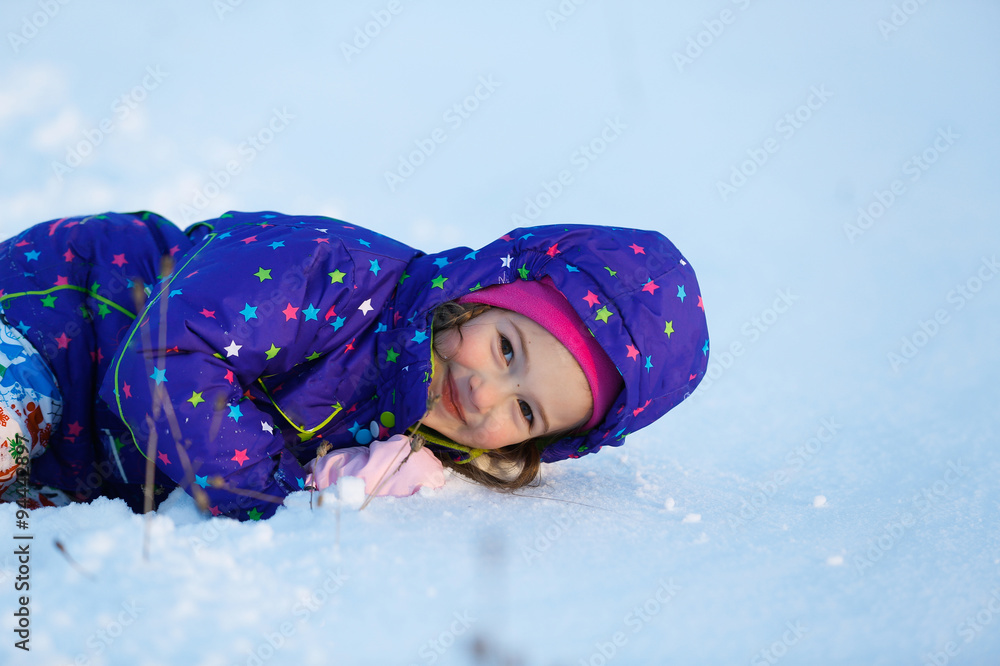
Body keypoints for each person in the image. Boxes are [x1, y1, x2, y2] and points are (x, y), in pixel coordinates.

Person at [0, 210, 709, 519]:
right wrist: (268, 494)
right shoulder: (329, 273)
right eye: (506, 349)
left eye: (526, 412)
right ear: (487, 291)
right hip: (53, 323)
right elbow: (164, 357)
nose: (485, 394)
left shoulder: (409, 429)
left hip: (85, 455)